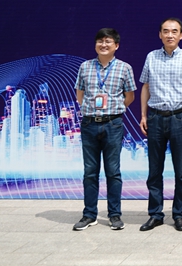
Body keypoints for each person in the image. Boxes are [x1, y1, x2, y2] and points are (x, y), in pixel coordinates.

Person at [138, 18, 182, 232]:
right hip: (155, 118)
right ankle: (155, 214)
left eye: (174, 31)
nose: (170, 35)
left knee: (181, 171)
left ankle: (179, 215)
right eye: (165, 31)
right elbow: (145, 87)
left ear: (181, 35)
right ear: (160, 34)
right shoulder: (151, 56)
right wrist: (143, 115)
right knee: (154, 171)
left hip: (179, 118)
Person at [72, 28, 137, 231]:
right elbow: (80, 94)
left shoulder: (125, 68)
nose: (104, 45)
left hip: (113, 124)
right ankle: (89, 214)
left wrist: (113, 110)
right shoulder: (85, 66)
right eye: (100, 41)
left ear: (116, 45)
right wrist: (92, 110)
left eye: (108, 41)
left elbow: (130, 96)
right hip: (89, 124)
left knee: (113, 172)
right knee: (90, 172)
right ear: (95, 45)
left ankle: (114, 215)